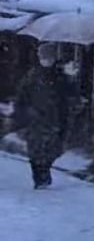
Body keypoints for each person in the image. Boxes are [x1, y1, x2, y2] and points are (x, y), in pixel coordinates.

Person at [11, 53, 78, 188]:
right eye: (43, 57)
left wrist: (71, 79)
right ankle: (39, 176)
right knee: (36, 148)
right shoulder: (33, 75)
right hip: (36, 117)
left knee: (54, 148)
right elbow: (22, 95)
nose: (46, 60)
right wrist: (24, 111)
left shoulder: (60, 75)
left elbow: (69, 94)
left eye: (48, 57)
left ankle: (43, 171)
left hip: (56, 118)